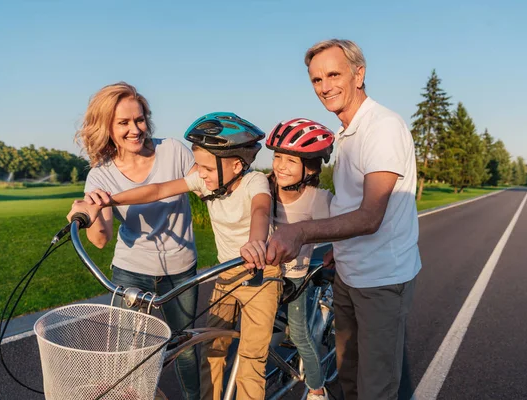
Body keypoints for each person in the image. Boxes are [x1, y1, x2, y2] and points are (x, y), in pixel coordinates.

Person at [69, 112, 282, 400]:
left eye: (206, 167)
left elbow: (260, 210)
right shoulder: (205, 181)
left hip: (261, 273)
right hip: (227, 273)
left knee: (251, 355)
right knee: (210, 348)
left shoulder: (254, 181)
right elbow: (156, 190)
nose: (199, 172)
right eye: (200, 167)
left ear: (235, 164)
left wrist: (256, 243)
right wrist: (111, 198)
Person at [266, 39, 422, 400]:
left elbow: (369, 217)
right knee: (347, 378)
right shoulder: (346, 133)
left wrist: (301, 231)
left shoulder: (382, 127)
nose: (325, 86)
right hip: (349, 274)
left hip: (382, 278)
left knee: (376, 388)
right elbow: (349, 203)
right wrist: (337, 247)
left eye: (333, 74)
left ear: (359, 73)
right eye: (316, 80)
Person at [71, 81, 200, 399]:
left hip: (180, 269)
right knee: (130, 357)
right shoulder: (101, 174)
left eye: (139, 119)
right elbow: (100, 239)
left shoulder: (173, 150)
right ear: (108, 128)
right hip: (131, 270)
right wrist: (90, 210)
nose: (134, 129)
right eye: (124, 123)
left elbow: (206, 183)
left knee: (184, 345)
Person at [265, 118, 335, 400]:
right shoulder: (265, 190)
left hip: (296, 277)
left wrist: (336, 252)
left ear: (311, 168)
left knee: (301, 335)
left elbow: (341, 227)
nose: (281, 166)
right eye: (278, 157)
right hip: (267, 272)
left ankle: (317, 391)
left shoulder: (317, 199)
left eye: (291, 161)